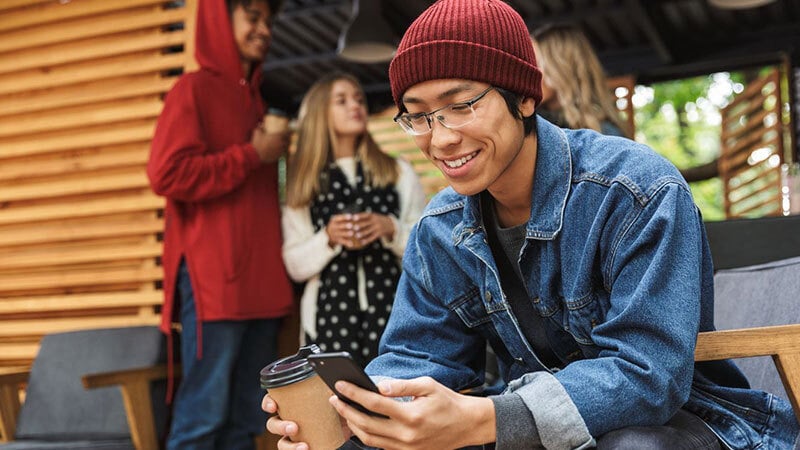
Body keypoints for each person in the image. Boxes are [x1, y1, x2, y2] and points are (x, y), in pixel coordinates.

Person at [263, 0, 800, 449]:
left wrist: (485, 419)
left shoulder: (637, 191)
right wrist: (351, 412)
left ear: (523, 96)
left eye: (460, 105)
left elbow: (647, 376)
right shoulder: (439, 230)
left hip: (684, 424)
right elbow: (417, 357)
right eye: (418, 114)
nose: (440, 138)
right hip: (532, 427)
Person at [147, 0, 293, 448]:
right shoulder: (192, 90)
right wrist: (252, 155)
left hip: (263, 285)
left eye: (268, 20)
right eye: (253, 17)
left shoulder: (259, 98)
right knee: (203, 420)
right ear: (218, 19)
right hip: (216, 286)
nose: (264, 29)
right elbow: (166, 173)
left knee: (244, 425)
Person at [282, 72, 427, 367]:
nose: (355, 106)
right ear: (321, 113)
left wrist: (392, 229)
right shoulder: (305, 185)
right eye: (342, 100)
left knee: (394, 400)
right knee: (333, 409)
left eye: (359, 99)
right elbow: (294, 265)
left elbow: (428, 245)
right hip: (326, 323)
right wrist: (329, 238)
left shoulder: (397, 171)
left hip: (395, 314)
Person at [531, 24, 631, 138]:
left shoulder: (605, 133)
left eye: (536, 64)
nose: (528, 73)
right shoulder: (530, 123)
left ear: (562, 68)